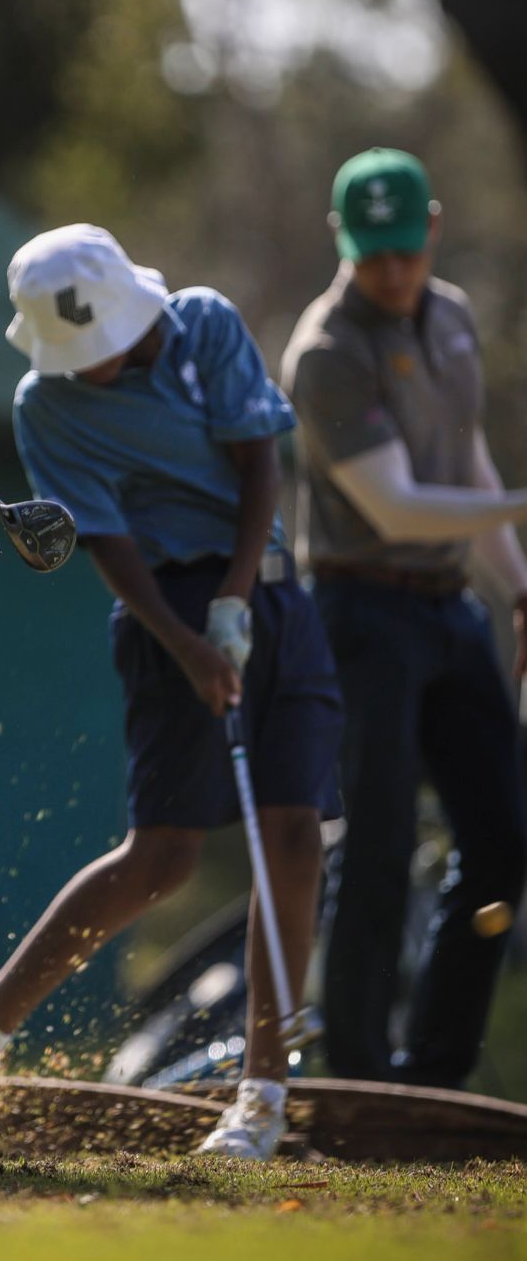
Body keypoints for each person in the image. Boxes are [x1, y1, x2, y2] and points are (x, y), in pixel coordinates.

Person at [0, 224, 342, 1160]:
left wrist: (237, 596)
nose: (97, 365)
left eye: (105, 343)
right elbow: (105, 535)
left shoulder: (204, 325)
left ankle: (261, 1095)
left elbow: (260, 462)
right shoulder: (46, 404)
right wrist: (189, 643)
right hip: (164, 613)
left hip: (269, 591)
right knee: (162, 859)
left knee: (293, 838)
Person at [280, 146, 527, 1088]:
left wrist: (521, 587)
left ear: (430, 230)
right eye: (370, 251)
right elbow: (401, 509)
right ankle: (355, 1073)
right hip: (362, 607)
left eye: (404, 249)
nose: (391, 271)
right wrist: (517, 513)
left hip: (450, 607)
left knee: (503, 843)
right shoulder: (326, 352)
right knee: (376, 848)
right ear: (344, 242)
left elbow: (465, 466)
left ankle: (433, 1071)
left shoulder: (455, 315)